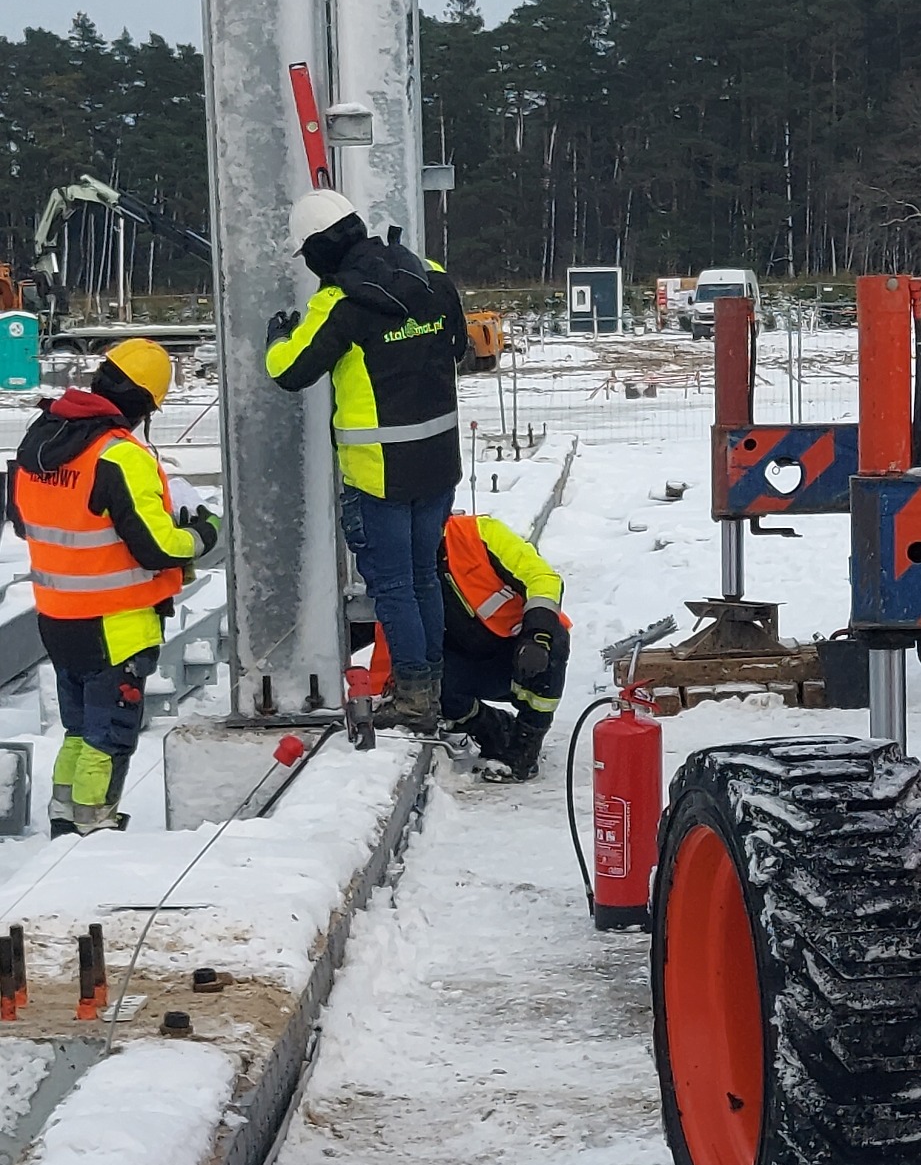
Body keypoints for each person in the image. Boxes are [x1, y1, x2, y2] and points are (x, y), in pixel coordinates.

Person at [266, 189, 467, 734]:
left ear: (315, 251)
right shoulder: (430, 275)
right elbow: (458, 347)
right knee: (424, 576)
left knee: (395, 586)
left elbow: (289, 371)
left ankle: (415, 698)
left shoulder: (340, 303)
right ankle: (430, 687)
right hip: (438, 462)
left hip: (380, 472)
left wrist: (279, 336)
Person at [12, 339, 219, 836]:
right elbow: (158, 547)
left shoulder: (42, 441)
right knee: (110, 733)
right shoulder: (119, 456)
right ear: (146, 404)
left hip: (57, 615)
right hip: (117, 621)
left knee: (80, 728)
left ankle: (65, 817)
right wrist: (203, 532)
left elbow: (24, 521)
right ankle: (93, 824)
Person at [370, 513, 570, 780]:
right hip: (463, 663)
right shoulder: (399, 568)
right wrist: (378, 697)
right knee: (423, 683)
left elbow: (543, 578)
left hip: (522, 651)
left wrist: (538, 635)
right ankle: (492, 730)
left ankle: (525, 745)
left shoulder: (479, 533)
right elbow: (393, 637)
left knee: (554, 640)